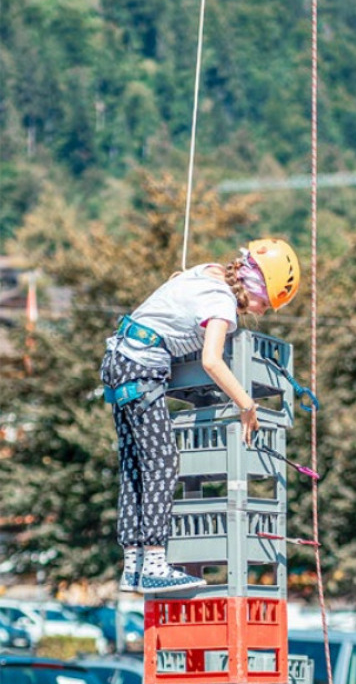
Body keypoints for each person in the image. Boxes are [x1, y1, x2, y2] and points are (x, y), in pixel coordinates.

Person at [101, 239, 300, 594]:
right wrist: (246, 404)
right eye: (265, 303)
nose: (263, 312)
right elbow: (211, 360)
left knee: (135, 468)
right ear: (256, 286)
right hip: (141, 367)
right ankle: (156, 564)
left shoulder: (208, 272)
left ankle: (133, 565)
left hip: (118, 361)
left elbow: (178, 280)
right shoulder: (221, 303)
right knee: (162, 462)